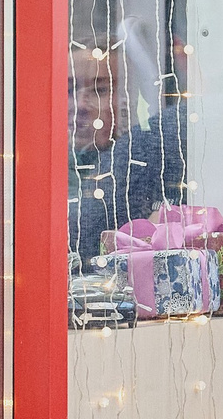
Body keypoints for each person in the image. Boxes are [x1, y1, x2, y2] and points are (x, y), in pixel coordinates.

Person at [66, 39, 167, 265]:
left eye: (99, 90)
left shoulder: (150, 173)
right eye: (68, 89)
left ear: (128, 99)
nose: (80, 105)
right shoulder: (31, 175)